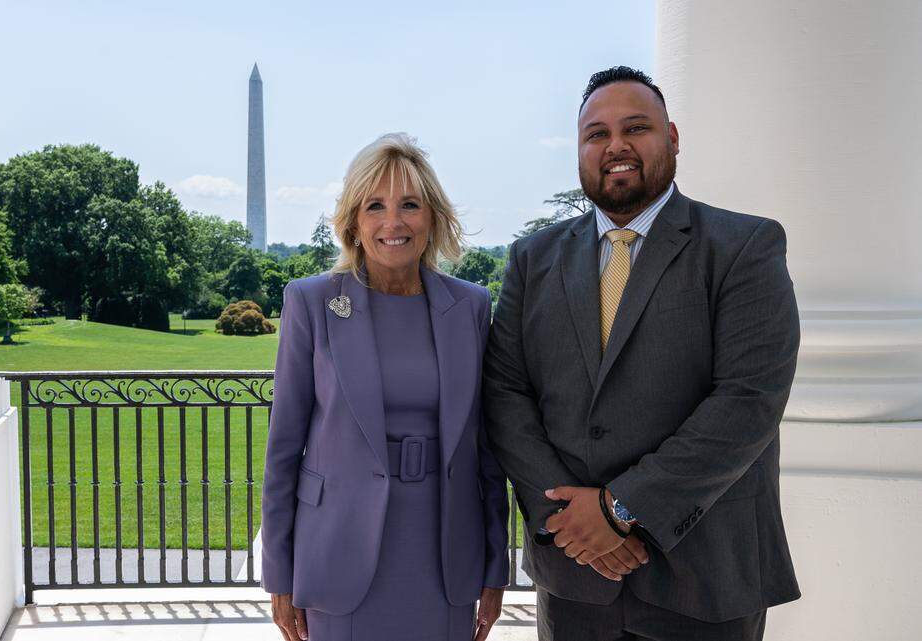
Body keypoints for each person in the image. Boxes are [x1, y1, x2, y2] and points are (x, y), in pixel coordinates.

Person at [484, 66, 801, 641]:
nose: (616, 146)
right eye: (596, 134)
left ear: (672, 137)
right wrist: (568, 522)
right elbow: (506, 393)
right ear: (579, 150)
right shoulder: (533, 259)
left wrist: (619, 509)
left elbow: (748, 401)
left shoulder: (744, 246)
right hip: (574, 577)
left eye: (637, 128)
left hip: (704, 576)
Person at [261, 132, 510, 641]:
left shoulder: (470, 307)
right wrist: (279, 574)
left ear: (433, 217)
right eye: (374, 205)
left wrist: (494, 566)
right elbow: (283, 448)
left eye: (410, 205)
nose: (393, 222)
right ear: (353, 221)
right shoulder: (312, 303)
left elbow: (488, 450)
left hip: (444, 557)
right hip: (338, 554)